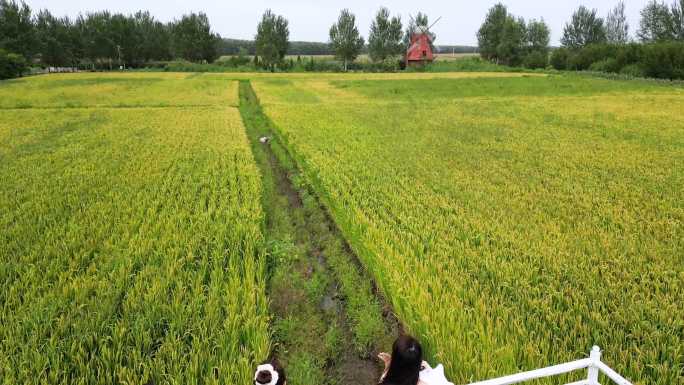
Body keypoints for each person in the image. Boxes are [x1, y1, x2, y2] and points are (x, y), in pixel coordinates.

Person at [378, 335, 454, 385]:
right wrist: (430, 370)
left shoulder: (385, 379)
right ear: (418, 363)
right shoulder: (428, 381)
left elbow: (389, 378)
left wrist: (388, 364)